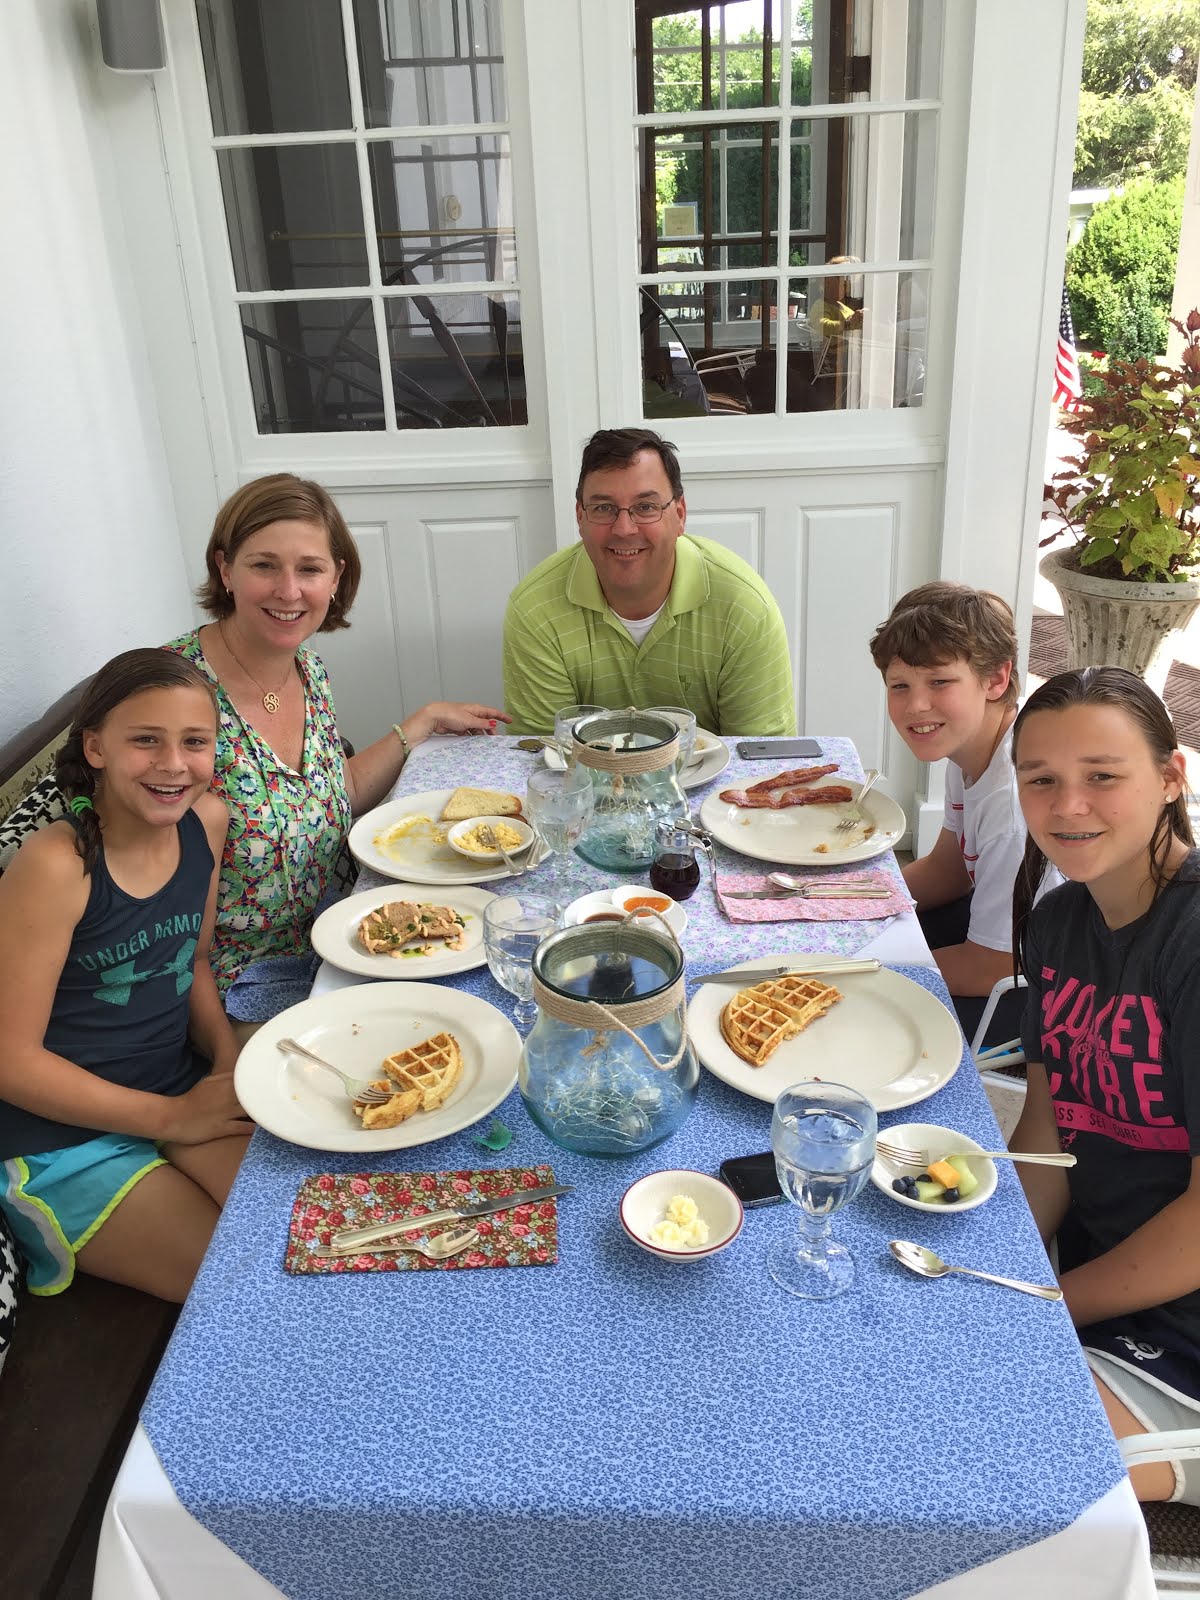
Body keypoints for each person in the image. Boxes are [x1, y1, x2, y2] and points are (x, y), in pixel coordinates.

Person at [164, 473, 509, 1015]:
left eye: (309, 568)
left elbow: (328, 796)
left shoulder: (307, 669)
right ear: (224, 568)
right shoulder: (172, 697)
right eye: (263, 565)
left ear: (336, 577)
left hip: (349, 934)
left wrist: (417, 725)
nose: (288, 590)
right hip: (249, 982)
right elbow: (167, 927)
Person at [0, 650, 250, 1304]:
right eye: (146, 740)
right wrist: (174, 1116)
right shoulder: (57, 865)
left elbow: (191, 961)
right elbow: (10, 1061)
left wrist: (226, 1058)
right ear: (96, 747)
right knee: (241, 1286)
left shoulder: (206, 824)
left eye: (195, 742)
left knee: (301, 1223)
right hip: (59, 1137)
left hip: (170, 1086)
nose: (174, 764)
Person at [1009, 667, 1200, 1505]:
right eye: (1041, 780)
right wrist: (996, 1268)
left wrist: (1046, 1305)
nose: (1067, 806)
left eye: (1102, 776)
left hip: (1183, 1342)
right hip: (1099, 1280)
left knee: (981, 1469)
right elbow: (1049, 1136)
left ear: (1170, 777)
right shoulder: (1057, 924)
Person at [502, 427, 796, 737]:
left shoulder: (745, 607)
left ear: (679, 514)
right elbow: (542, 753)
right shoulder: (534, 609)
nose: (625, 528)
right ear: (580, 517)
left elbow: (761, 756)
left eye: (646, 507)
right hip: (583, 783)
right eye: (603, 508)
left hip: (718, 784)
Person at [869, 581, 1034, 1041]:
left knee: (862, 1019)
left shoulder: (1013, 801)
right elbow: (950, 869)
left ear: (996, 679)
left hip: (1041, 997)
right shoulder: (969, 747)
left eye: (940, 681)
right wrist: (853, 906)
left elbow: (993, 966)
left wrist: (859, 967)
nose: (916, 706)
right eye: (899, 685)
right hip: (1001, 946)